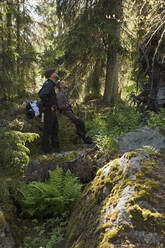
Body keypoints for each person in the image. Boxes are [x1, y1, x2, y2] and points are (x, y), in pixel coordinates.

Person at [56, 80, 93, 144]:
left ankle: (84, 138)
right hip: (65, 113)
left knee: (80, 123)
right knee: (81, 122)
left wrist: (68, 103)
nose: (65, 83)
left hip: (69, 112)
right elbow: (60, 106)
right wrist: (69, 104)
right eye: (63, 83)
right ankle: (85, 138)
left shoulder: (63, 93)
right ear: (60, 86)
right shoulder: (59, 94)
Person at [38, 68, 60, 153]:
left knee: (55, 129)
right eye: (55, 72)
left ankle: (56, 149)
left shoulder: (50, 84)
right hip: (49, 111)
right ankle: (46, 151)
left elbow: (40, 93)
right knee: (48, 130)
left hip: (51, 111)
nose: (56, 72)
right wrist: (50, 105)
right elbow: (42, 95)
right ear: (51, 75)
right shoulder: (49, 84)